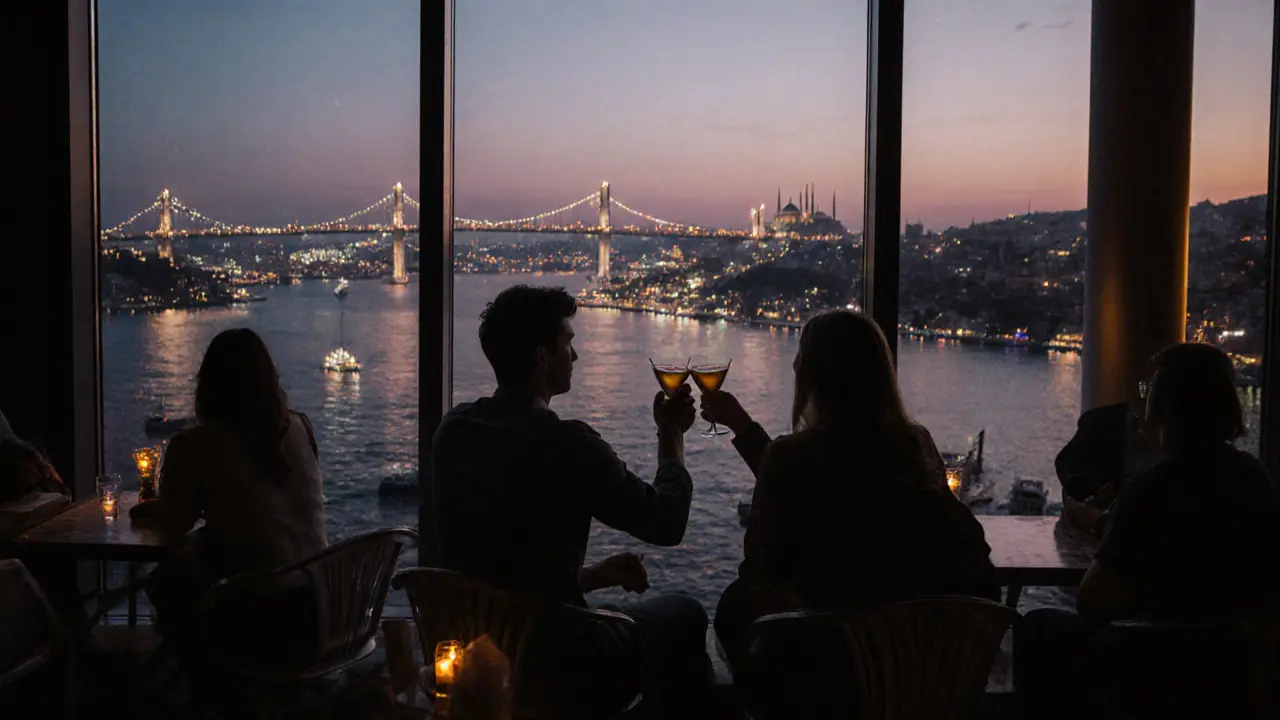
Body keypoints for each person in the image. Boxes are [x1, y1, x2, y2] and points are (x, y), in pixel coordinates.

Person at [430, 285, 709, 718]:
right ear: (543, 357)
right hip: (561, 660)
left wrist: (595, 575)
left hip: (480, 649)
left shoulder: (452, 431)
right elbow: (667, 523)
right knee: (687, 615)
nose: (575, 357)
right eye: (568, 343)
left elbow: (505, 576)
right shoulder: (568, 444)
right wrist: (671, 436)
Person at [702, 310, 999, 678]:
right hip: (918, 664)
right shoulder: (914, 444)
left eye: (800, 358)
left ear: (815, 377)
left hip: (832, 669)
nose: (793, 366)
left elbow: (761, 565)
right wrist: (744, 426)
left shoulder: (794, 456)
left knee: (734, 608)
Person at [1015, 343, 1280, 717]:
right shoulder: (1253, 478)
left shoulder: (1151, 488)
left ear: (1166, 407)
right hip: (1231, 665)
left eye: (1151, 391)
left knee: (1039, 628)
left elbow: (1092, 601)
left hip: (1151, 665)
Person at [132, 328, 327, 667]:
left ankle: (187, 688)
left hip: (256, 620)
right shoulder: (300, 427)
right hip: (320, 613)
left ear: (208, 385)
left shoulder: (195, 446)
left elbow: (175, 525)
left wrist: (145, 510)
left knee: (167, 583)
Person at [1056, 359, 1159, 537]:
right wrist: (1095, 493)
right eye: (1145, 388)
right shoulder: (1103, 423)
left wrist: (1097, 520)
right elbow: (1067, 465)